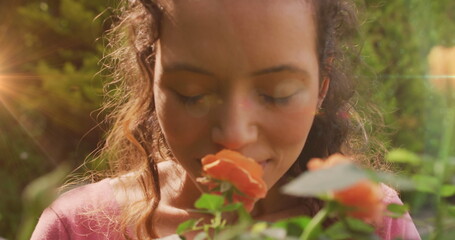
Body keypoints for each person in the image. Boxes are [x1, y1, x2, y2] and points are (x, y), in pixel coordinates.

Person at [31, 0, 421, 239]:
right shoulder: (78, 229)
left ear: (322, 85)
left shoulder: (368, 218)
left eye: (276, 94)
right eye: (193, 94)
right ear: (152, 77)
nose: (234, 134)